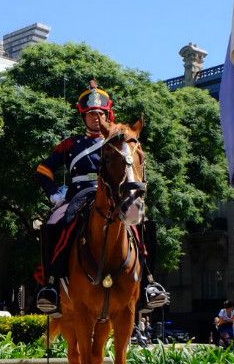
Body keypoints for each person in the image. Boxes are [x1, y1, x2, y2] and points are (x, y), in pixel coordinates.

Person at [32, 80, 168, 316]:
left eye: (100, 113)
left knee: (143, 226)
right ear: (83, 116)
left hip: (114, 194)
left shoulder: (118, 140)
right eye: (90, 114)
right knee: (55, 224)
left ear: (108, 114)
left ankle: (148, 282)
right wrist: (55, 192)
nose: (96, 118)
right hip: (79, 194)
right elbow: (44, 169)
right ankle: (51, 286)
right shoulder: (71, 144)